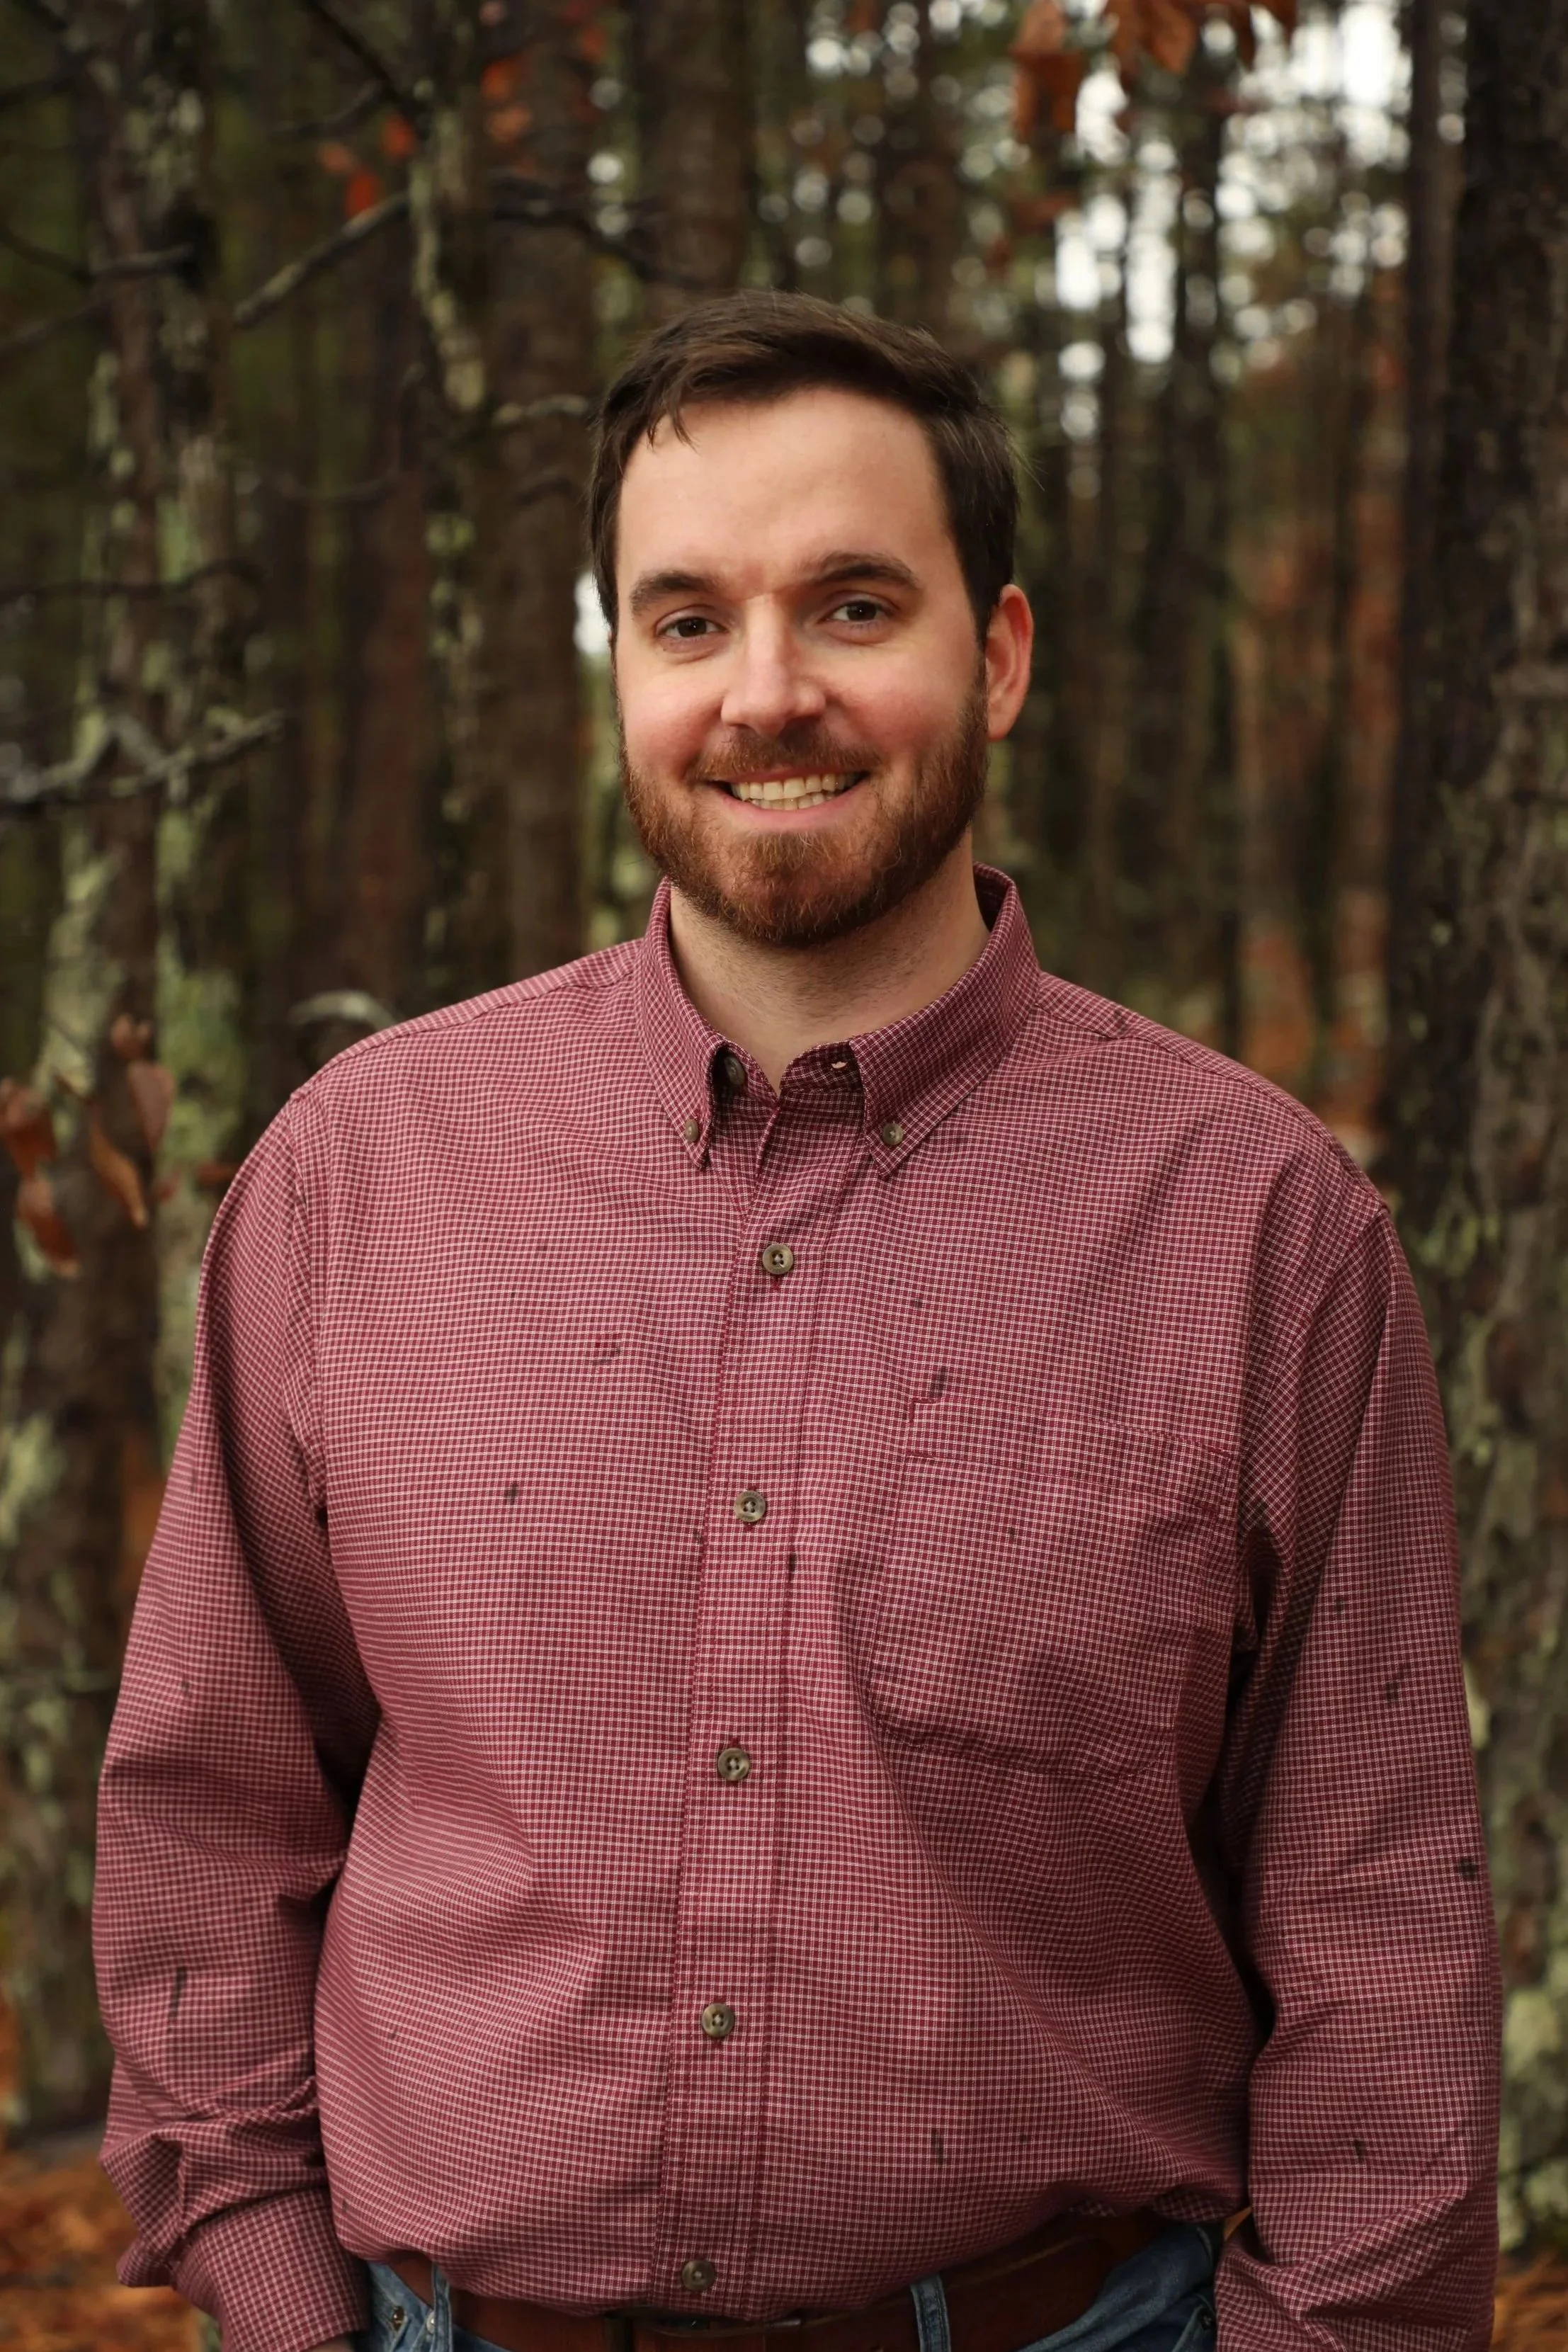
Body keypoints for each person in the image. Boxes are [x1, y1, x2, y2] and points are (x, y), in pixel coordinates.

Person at [93, 292, 1501, 2352]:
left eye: (851, 607)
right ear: (621, 669)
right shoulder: (363, 1176)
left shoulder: (1253, 1226)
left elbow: (1370, 1918)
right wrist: (279, 2294)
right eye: (685, 622)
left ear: (994, 654)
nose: (766, 695)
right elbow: (215, 1805)